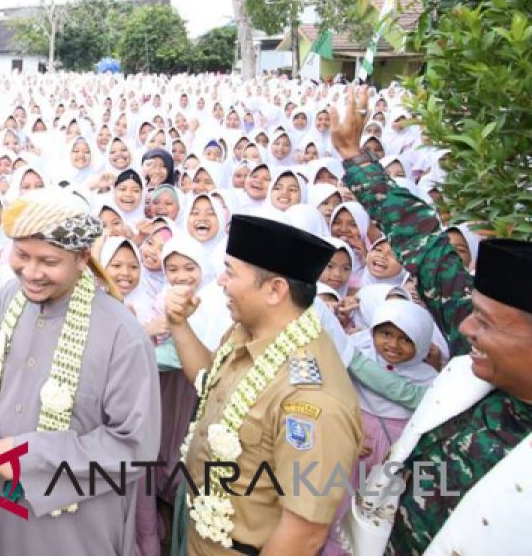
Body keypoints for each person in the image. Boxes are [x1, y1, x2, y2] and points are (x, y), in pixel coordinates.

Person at [329, 86, 532, 555]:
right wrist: (354, 157)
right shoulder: (481, 358)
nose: (465, 329)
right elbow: (427, 245)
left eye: (486, 324)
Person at [0, 186, 161, 556]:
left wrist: (32, 457)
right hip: (9, 509)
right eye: (22, 255)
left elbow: (135, 447)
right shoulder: (9, 298)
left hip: (81, 524)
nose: (31, 272)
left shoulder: (122, 335)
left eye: (48, 261)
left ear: (83, 257)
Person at [164, 214, 362, 555]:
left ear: (274, 290)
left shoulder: (312, 398)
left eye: (230, 272)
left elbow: (303, 534)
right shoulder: (249, 331)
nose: (221, 282)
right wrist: (179, 325)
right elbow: (210, 382)